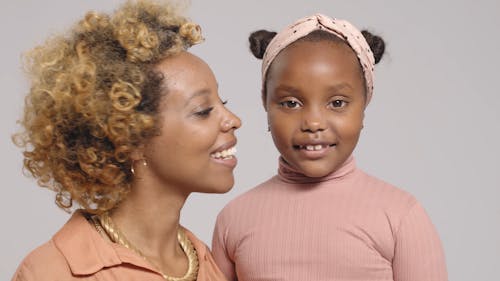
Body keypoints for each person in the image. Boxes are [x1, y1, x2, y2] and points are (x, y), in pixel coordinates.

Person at [12, 1, 240, 280]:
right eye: (203, 111)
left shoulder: (209, 265)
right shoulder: (54, 271)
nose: (233, 120)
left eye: (223, 102)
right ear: (131, 137)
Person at [212, 14, 447, 281]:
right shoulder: (234, 220)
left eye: (337, 103)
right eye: (291, 103)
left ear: (364, 106)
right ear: (266, 103)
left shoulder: (401, 217)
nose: (313, 123)